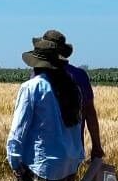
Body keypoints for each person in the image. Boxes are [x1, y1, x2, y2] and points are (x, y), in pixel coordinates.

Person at [7, 39, 85, 181]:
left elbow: (18, 130)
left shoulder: (31, 87)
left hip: (41, 166)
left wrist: (15, 165)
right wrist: (76, 161)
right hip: (68, 166)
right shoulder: (73, 88)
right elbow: (76, 129)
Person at [39, 30, 105, 162]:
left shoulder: (37, 77)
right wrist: (96, 146)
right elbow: (90, 112)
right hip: (73, 150)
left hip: (43, 151)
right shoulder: (80, 75)